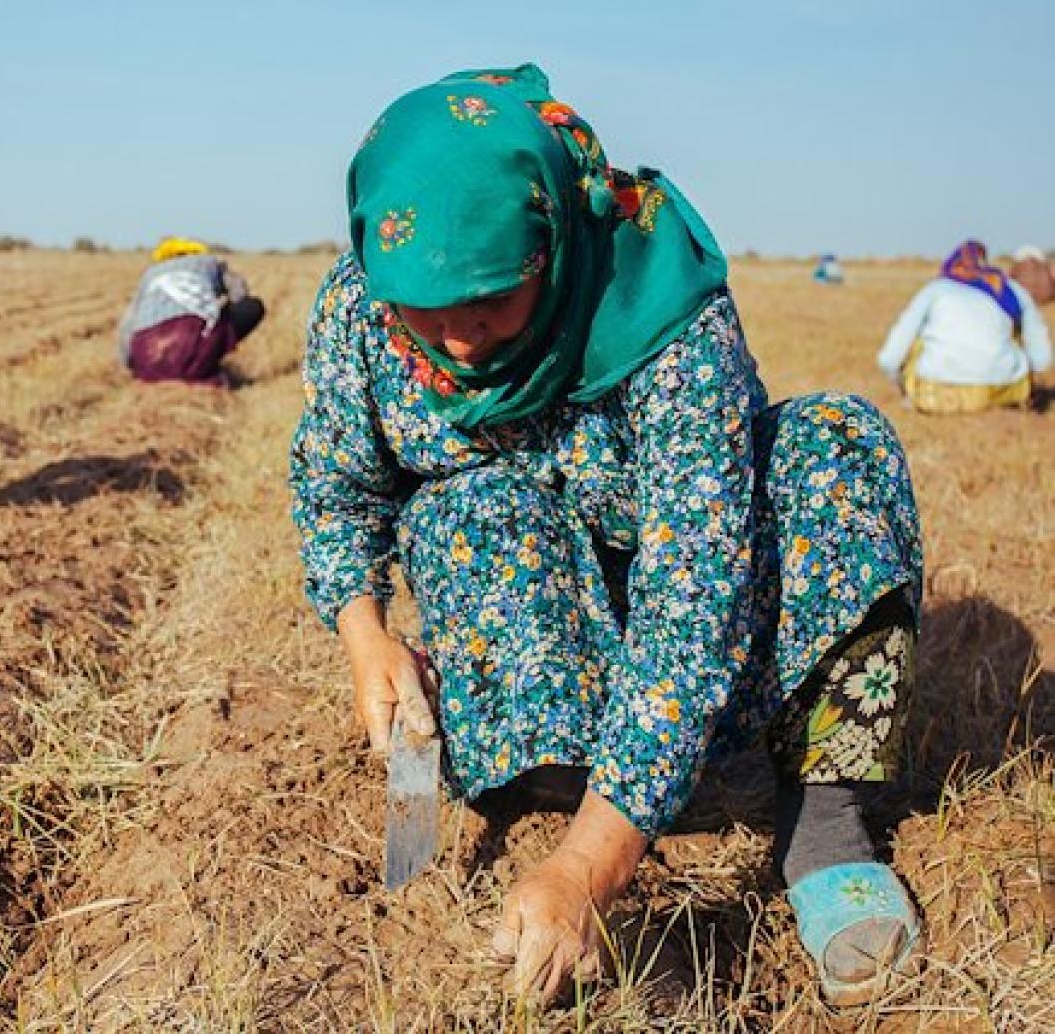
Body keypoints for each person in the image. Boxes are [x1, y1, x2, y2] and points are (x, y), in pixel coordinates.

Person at [289, 65, 925, 1007]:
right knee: (470, 503)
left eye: (492, 299)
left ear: (549, 243)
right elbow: (338, 486)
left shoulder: (654, 301)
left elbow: (695, 587)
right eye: (429, 308)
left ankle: (822, 826)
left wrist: (593, 865)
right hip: (546, 646)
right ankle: (562, 776)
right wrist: (364, 631)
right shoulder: (363, 310)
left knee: (837, 446)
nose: (461, 339)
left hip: (703, 608)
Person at [876, 240, 1051, 414]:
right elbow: (1042, 359)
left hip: (938, 391)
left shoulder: (936, 289)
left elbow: (889, 357)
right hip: (1007, 390)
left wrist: (900, 382)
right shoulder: (1012, 290)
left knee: (920, 342)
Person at [117, 237, 265, 384]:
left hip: (147, 360)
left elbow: (128, 323)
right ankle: (206, 363)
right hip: (192, 347)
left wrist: (133, 364)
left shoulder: (150, 275)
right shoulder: (211, 263)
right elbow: (240, 294)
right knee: (251, 307)